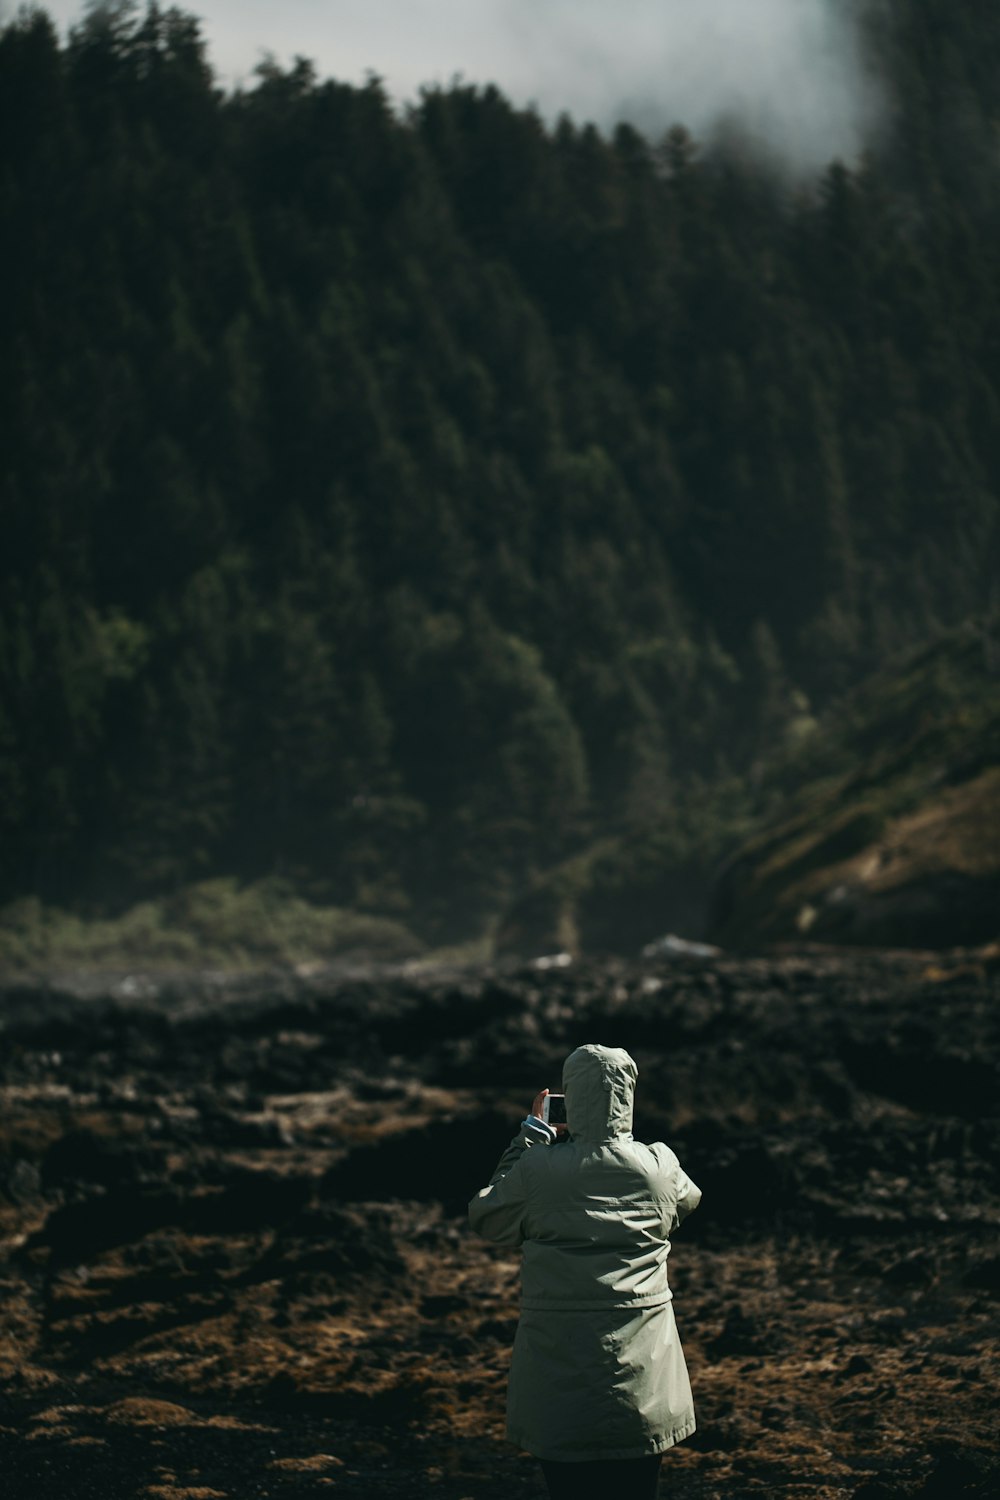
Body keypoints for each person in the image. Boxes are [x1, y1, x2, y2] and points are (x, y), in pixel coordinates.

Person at [468, 1043, 701, 1500]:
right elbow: (686, 1203)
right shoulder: (660, 1165)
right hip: (644, 1378)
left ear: (570, 1099)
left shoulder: (538, 1169)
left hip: (558, 1372)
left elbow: (487, 1214)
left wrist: (533, 1133)